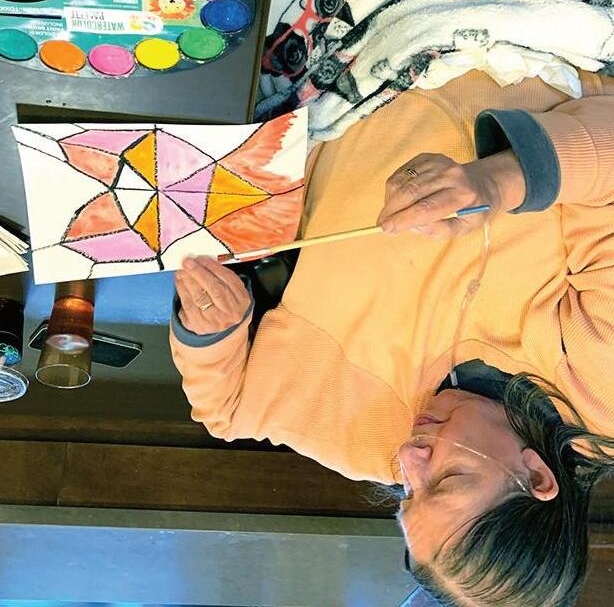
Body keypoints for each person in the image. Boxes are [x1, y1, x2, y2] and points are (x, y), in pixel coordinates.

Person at [169, 70, 614, 606]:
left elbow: (225, 410)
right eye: (446, 481)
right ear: (536, 475)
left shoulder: (363, 441)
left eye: (408, 493)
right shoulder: (598, 387)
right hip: (523, 49)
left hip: (335, 71)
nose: (408, 457)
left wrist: (213, 330)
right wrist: (499, 180)